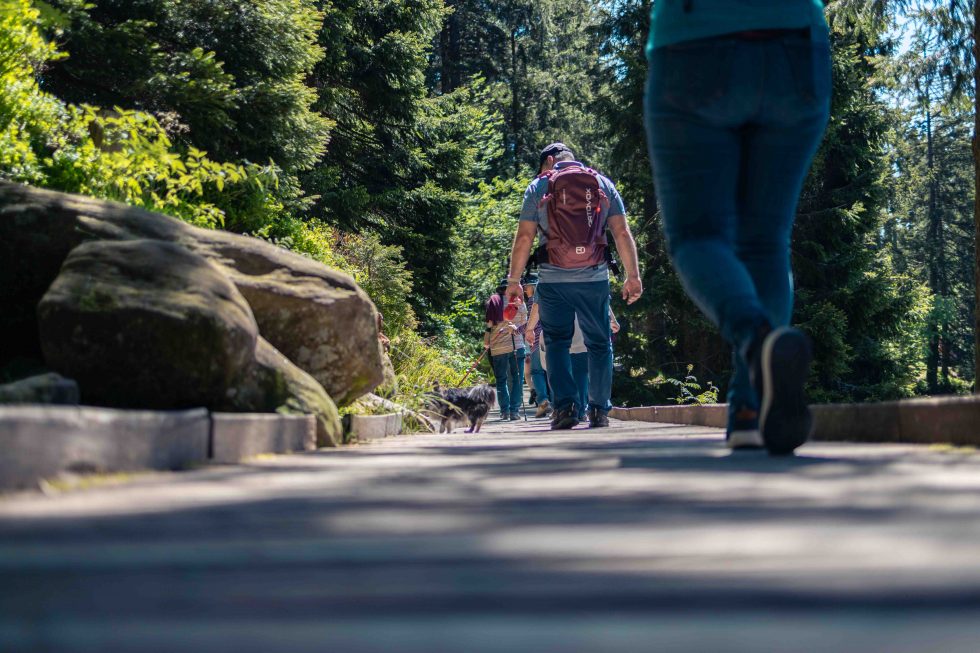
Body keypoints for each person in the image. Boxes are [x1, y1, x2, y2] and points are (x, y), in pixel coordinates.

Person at [644, 1, 831, 454]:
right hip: (795, 44)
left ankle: (755, 341)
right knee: (766, 242)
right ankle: (749, 409)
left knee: (697, 236)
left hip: (693, 42)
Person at [505, 143, 642, 430]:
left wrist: (514, 281)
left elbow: (525, 237)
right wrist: (633, 276)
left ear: (550, 161)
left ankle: (565, 407)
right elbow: (621, 231)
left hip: (553, 280)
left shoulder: (538, 187)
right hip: (594, 278)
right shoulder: (602, 183)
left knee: (556, 342)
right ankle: (599, 409)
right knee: (599, 343)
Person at [483, 280, 528, 420]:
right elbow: (524, 323)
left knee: (501, 379)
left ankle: (504, 411)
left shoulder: (494, 301)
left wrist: (486, 342)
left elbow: (489, 325)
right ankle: (515, 411)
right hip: (517, 345)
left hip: (498, 346)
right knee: (517, 379)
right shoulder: (519, 302)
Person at [522, 275, 552, 418]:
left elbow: (531, 323)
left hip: (537, 341)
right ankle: (558, 404)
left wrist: (515, 329)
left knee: (536, 371)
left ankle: (543, 401)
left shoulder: (532, 301)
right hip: (551, 337)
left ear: (532, 287)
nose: (524, 290)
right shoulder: (548, 297)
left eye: (526, 287)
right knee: (552, 371)